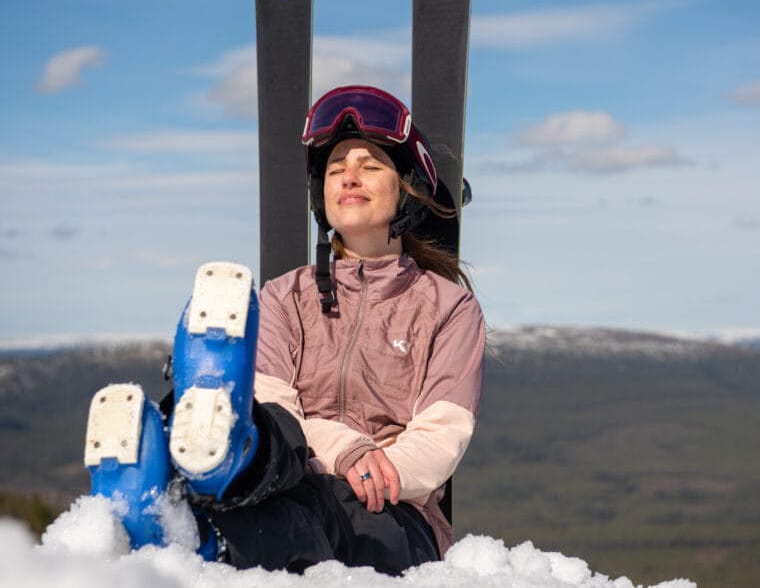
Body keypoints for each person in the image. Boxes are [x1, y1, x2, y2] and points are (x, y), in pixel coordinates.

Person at [83, 85, 485, 575]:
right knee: (275, 436)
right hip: (286, 477)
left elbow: (442, 438)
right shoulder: (281, 296)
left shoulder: (449, 307)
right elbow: (277, 406)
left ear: (406, 189)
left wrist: (373, 471)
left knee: (312, 508)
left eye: (370, 165)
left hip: (395, 514)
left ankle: (196, 538)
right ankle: (209, 466)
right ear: (323, 196)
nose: (349, 176)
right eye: (336, 169)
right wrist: (342, 448)